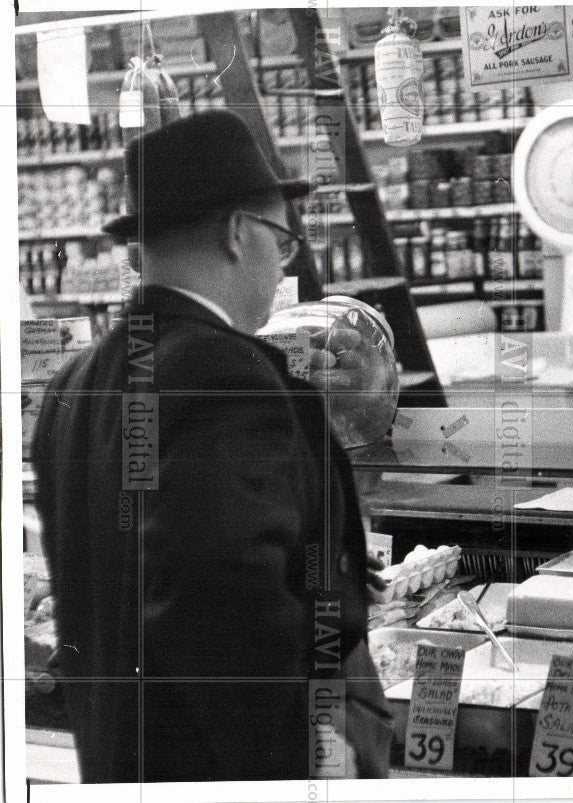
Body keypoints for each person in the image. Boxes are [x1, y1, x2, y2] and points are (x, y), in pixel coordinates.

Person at [31, 111, 392, 783]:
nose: (283, 270)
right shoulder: (228, 377)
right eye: (282, 243)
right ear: (236, 232)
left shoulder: (71, 386)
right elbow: (222, 602)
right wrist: (315, 758)